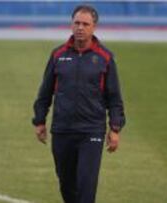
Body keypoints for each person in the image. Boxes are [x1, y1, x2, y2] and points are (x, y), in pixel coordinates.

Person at [32, 5, 125, 203]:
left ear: (94, 27)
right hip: (62, 130)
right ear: (71, 25)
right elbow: (45, 91)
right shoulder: (58, 55)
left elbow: (114, 98)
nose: (80, 27)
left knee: (86, 185)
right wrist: (39, 121)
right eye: (77, 23)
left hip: (91, 131)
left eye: (85, 24)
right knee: (67, 185)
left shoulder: (105, 58)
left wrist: (115, 128)